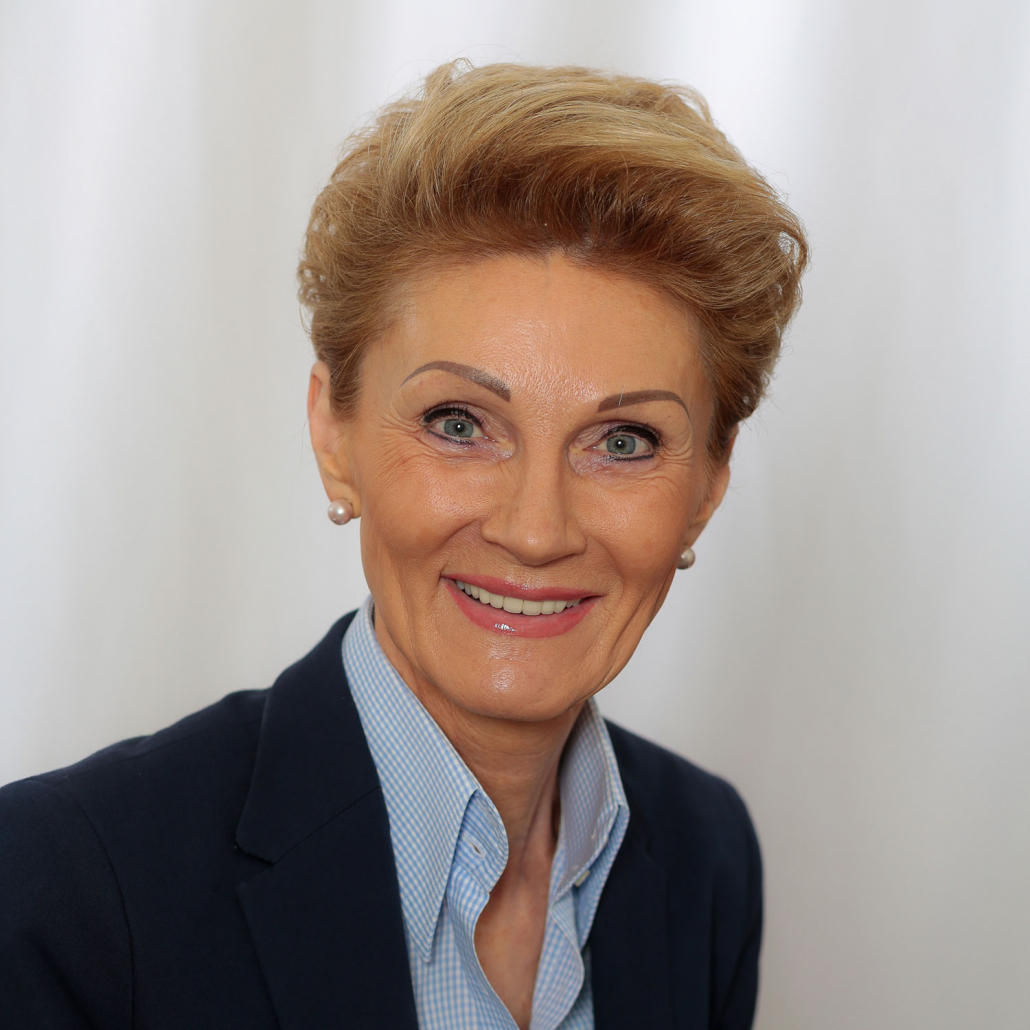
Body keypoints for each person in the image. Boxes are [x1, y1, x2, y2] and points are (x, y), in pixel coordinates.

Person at [0, 61, 806, 1029]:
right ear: (332, 434)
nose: (535, 530)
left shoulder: (708, 857)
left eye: (624, 441)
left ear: (708, 486)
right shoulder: (63, 890)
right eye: (458, 424)